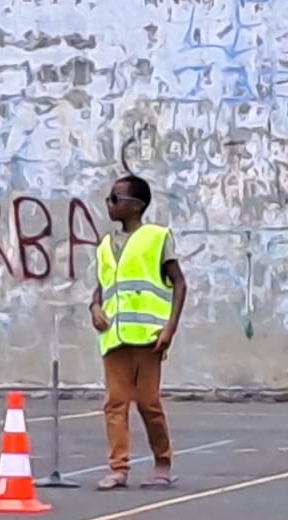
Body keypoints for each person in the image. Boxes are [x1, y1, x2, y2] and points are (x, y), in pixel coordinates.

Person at [88, 174, 187, 490]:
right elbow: (102, 286)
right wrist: (94, 308)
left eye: (116, 199)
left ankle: (162, 461)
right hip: (114, 338)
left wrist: (170, 327)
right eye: (109, 198)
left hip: (148, 337)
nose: (109, 204)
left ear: (137, 206)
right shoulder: (105, 245)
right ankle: (118, 468)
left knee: (148, 403)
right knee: (115, 402)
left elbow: (179, 282)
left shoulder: (157, 238)